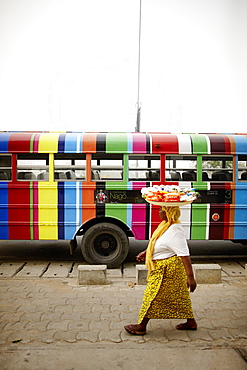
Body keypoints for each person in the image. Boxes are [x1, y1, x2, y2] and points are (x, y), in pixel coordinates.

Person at [124, 206, 197, 335]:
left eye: (162, 210)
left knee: (152, 296)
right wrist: (146, 253)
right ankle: (191, 322)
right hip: (161, 268)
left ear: (169, 213)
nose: (159, 212)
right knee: (180, 296)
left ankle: (141, 326)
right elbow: (158, 244)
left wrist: (190, 276)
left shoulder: (175, 229)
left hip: (167, 270)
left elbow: (184, 254)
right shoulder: (165, 225)